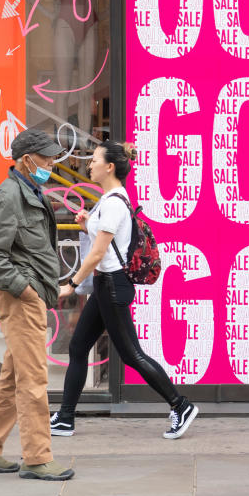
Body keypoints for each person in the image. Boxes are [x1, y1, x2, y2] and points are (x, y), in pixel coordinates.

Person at [50, 141, 199, 439]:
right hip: (106, 284)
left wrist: (71, 285)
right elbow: (105, 242)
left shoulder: (116, 203)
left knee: (132, 355)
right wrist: (87, 225)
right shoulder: (109, 200)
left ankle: (180, 405)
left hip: (113, 287)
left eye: (94, 160)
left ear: (110, 167)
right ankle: (65, 417)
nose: (89, 165)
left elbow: (97, 254)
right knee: (79, 347)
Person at [0, 128, 74, 481]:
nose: (52, 163)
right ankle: (38, 458)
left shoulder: (29, 191)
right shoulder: (9, 196)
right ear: (27, 160)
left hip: (30, 295)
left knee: (14, 377)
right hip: (21, 298)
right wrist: (25, 290)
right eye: (46, 158)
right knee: (33, 380)